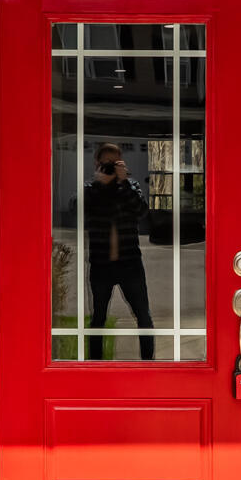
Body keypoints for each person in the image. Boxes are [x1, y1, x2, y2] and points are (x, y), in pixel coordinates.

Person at [83, 142, 156, 360]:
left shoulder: (130, 185)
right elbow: (78, 208)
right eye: (106, 163)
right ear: (97, 163)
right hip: (101, 265)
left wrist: (123, 183)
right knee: (98, 319)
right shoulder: (90, 188)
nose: (110, 168)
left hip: (130, 263)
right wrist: (99, 184)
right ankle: (95, 366)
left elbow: (142, 212)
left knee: (143, 315)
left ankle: (148, 364)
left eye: (114, 163)